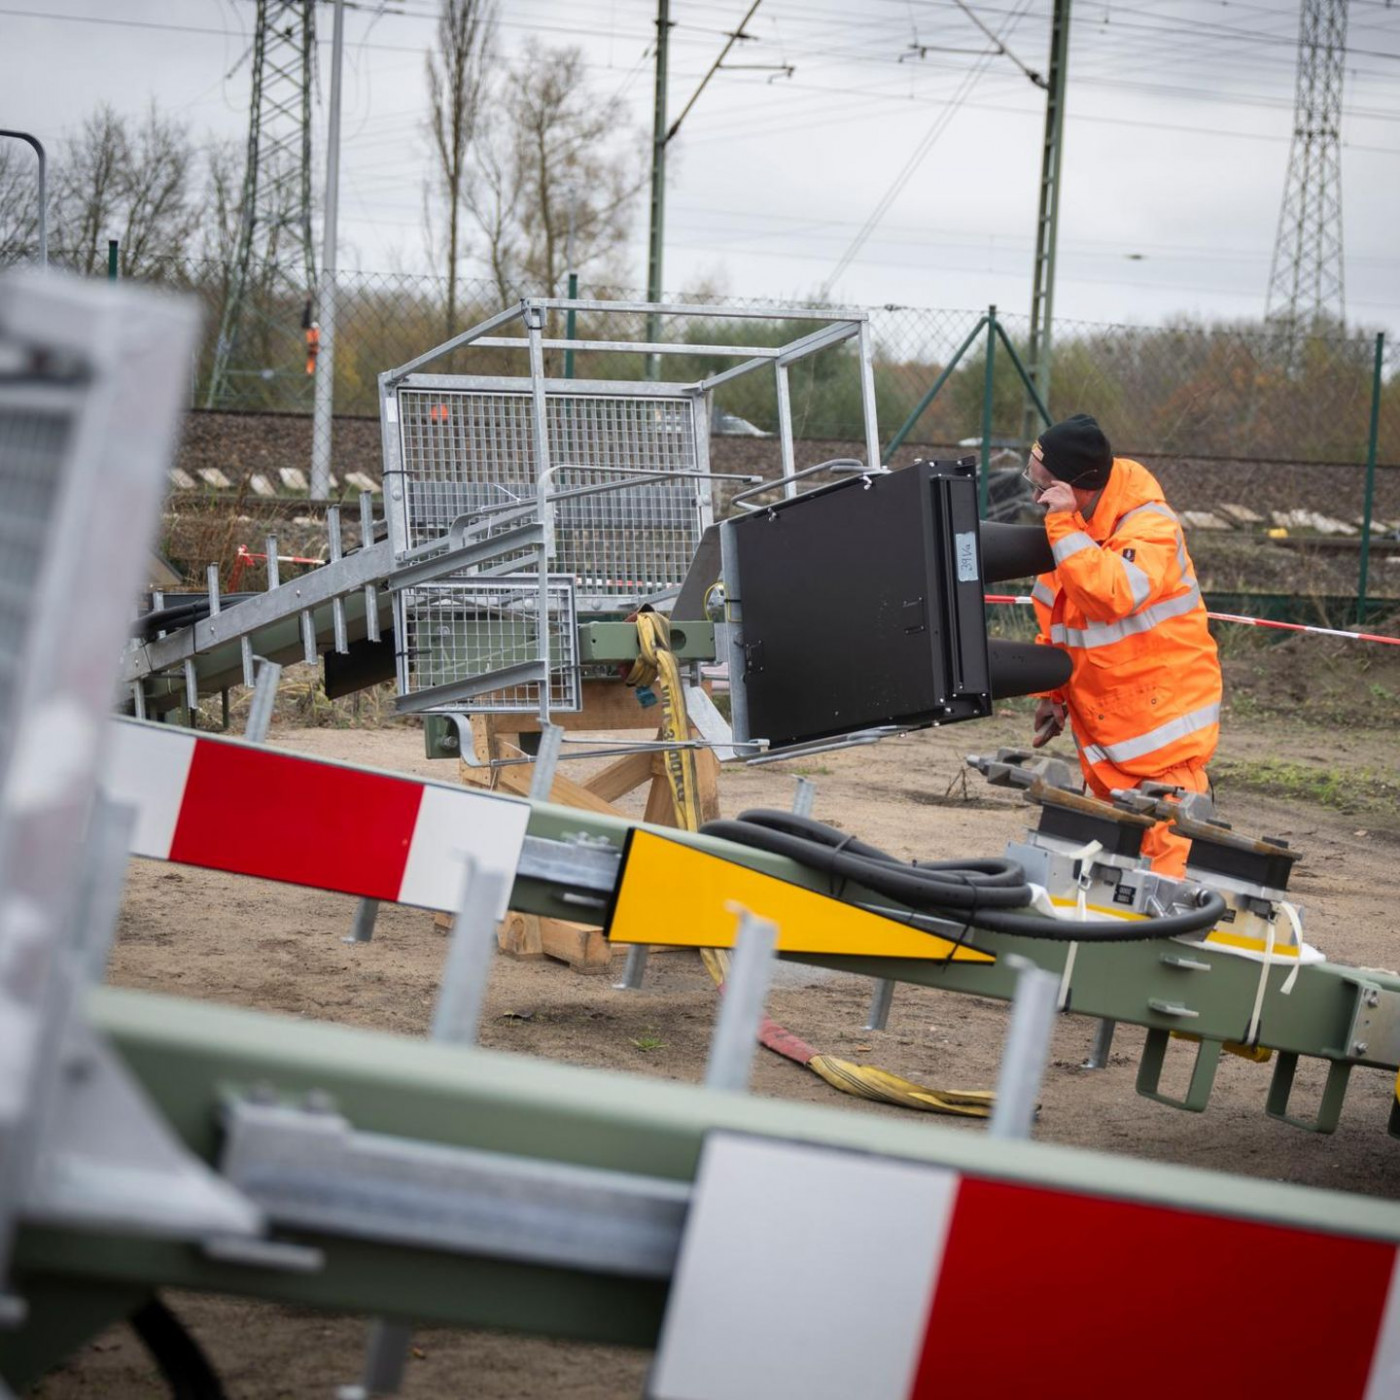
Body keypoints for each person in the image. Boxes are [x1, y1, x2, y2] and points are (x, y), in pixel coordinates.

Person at [1026, 413, 1221, 876]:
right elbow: (1059, 618)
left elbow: (1109, 593)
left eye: (1045, 487)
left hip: (1161, 744)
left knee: (1164, 876)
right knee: (1114, 874)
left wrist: (1062, 525)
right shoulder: (1075, 526)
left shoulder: (1148, 527)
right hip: (1110, 738)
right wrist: (1054, 695)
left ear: (1080, 488)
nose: (1037, 498)